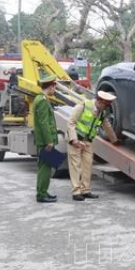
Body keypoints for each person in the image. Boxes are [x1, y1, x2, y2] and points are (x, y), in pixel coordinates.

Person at [66, 91, 117, 201]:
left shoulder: (101, 113)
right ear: (99, 101)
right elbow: (71, 122)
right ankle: (76, 192)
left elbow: (107, 126)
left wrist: (115, 140)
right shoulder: (83, 105)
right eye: (105, 105)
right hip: (76, 140)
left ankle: (85, 190)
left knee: (87, 166)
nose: (106, 108)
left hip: (88, 142)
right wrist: (73, 139)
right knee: (76, 166)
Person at [33, 74, 60, 203]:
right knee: (45, 169)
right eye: (54, 87)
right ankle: (41, 194)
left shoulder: (40, 99)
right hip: (44, 141)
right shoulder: (42, 101)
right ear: (50, 86)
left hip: (42, 141)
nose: (55, 90)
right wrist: (49, 140)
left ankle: (43, 192)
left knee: (44, 167)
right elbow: (44, 123)